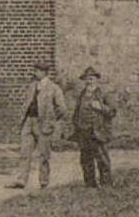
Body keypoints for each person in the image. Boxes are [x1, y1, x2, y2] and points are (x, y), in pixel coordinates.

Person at [6, 60, 66, 190]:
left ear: (44, 73)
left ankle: (44, 181)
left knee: (44, 154)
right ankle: (21, 180)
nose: (35, 73)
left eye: (37, 71)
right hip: (29, 121)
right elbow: (26, 103)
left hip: (43, 123)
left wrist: (51, 120)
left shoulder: (54, 88)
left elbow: (61, 108)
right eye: (35, 70)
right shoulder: (32, 86)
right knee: (25, 152)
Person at [72, 66, 117, 187]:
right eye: (86, 79)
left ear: (96, 80)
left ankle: (106, 183)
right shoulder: (82, 94)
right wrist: (76, 126)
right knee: (85, 159)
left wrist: (100, 107)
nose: (88, 81)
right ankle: (90, 183)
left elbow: (112, 112)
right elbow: (76, 112)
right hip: (83, 130)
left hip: (97, 131)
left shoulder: (104, 94)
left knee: (102, 157)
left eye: (91, 79)